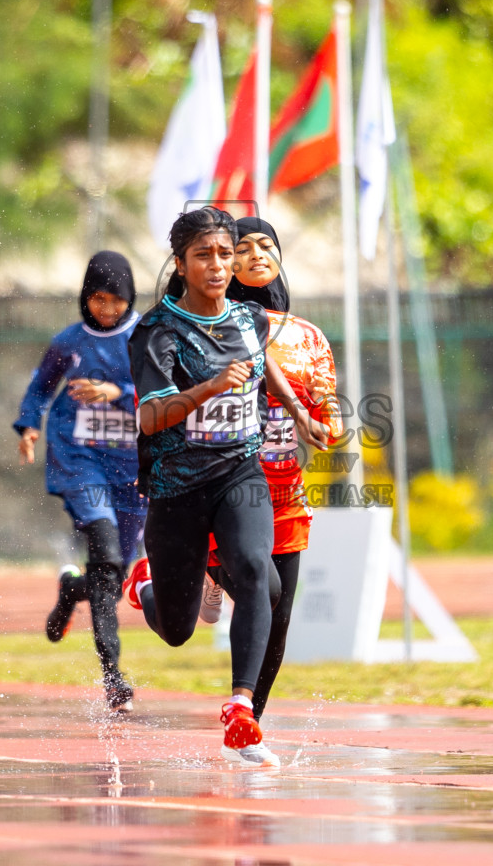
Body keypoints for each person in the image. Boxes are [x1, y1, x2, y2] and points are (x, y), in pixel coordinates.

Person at [122, 206, 328, 766]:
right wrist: (211, 387)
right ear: (181, 264)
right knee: (177, 629)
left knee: (260, 576)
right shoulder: (156, 332)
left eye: (225, 254)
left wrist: (302, 417)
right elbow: (151, 417)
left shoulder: (247, 319)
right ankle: (146, 588)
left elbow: (265, 367)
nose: (218, 266)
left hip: (240, 473)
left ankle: (241, 709)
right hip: (178, 488)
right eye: (204, 256)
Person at [202, 216, 340, 741]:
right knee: (268, 590)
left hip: (286, 492)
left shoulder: (309, 335)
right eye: (243, 247)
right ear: (225, 262)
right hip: (227, 485)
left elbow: (325, 400)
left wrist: (331, 422)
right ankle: (205, 570)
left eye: (266, 244)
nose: (257, 252)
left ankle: (247, 725)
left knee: (279, 616)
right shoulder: (212, 325)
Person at [14, 251, 144, 712]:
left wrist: (118, 393)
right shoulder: (68, 342)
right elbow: (39, 388)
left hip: (132, 469)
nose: (107, 309)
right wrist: (28, 425)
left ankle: (73, 589)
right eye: (99, 299)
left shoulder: (146, 336)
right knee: (106, 554)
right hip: (79, 461)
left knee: (112, 576)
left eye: (117, 301)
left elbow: (166, 390)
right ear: (85, 297)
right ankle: (114, 679)